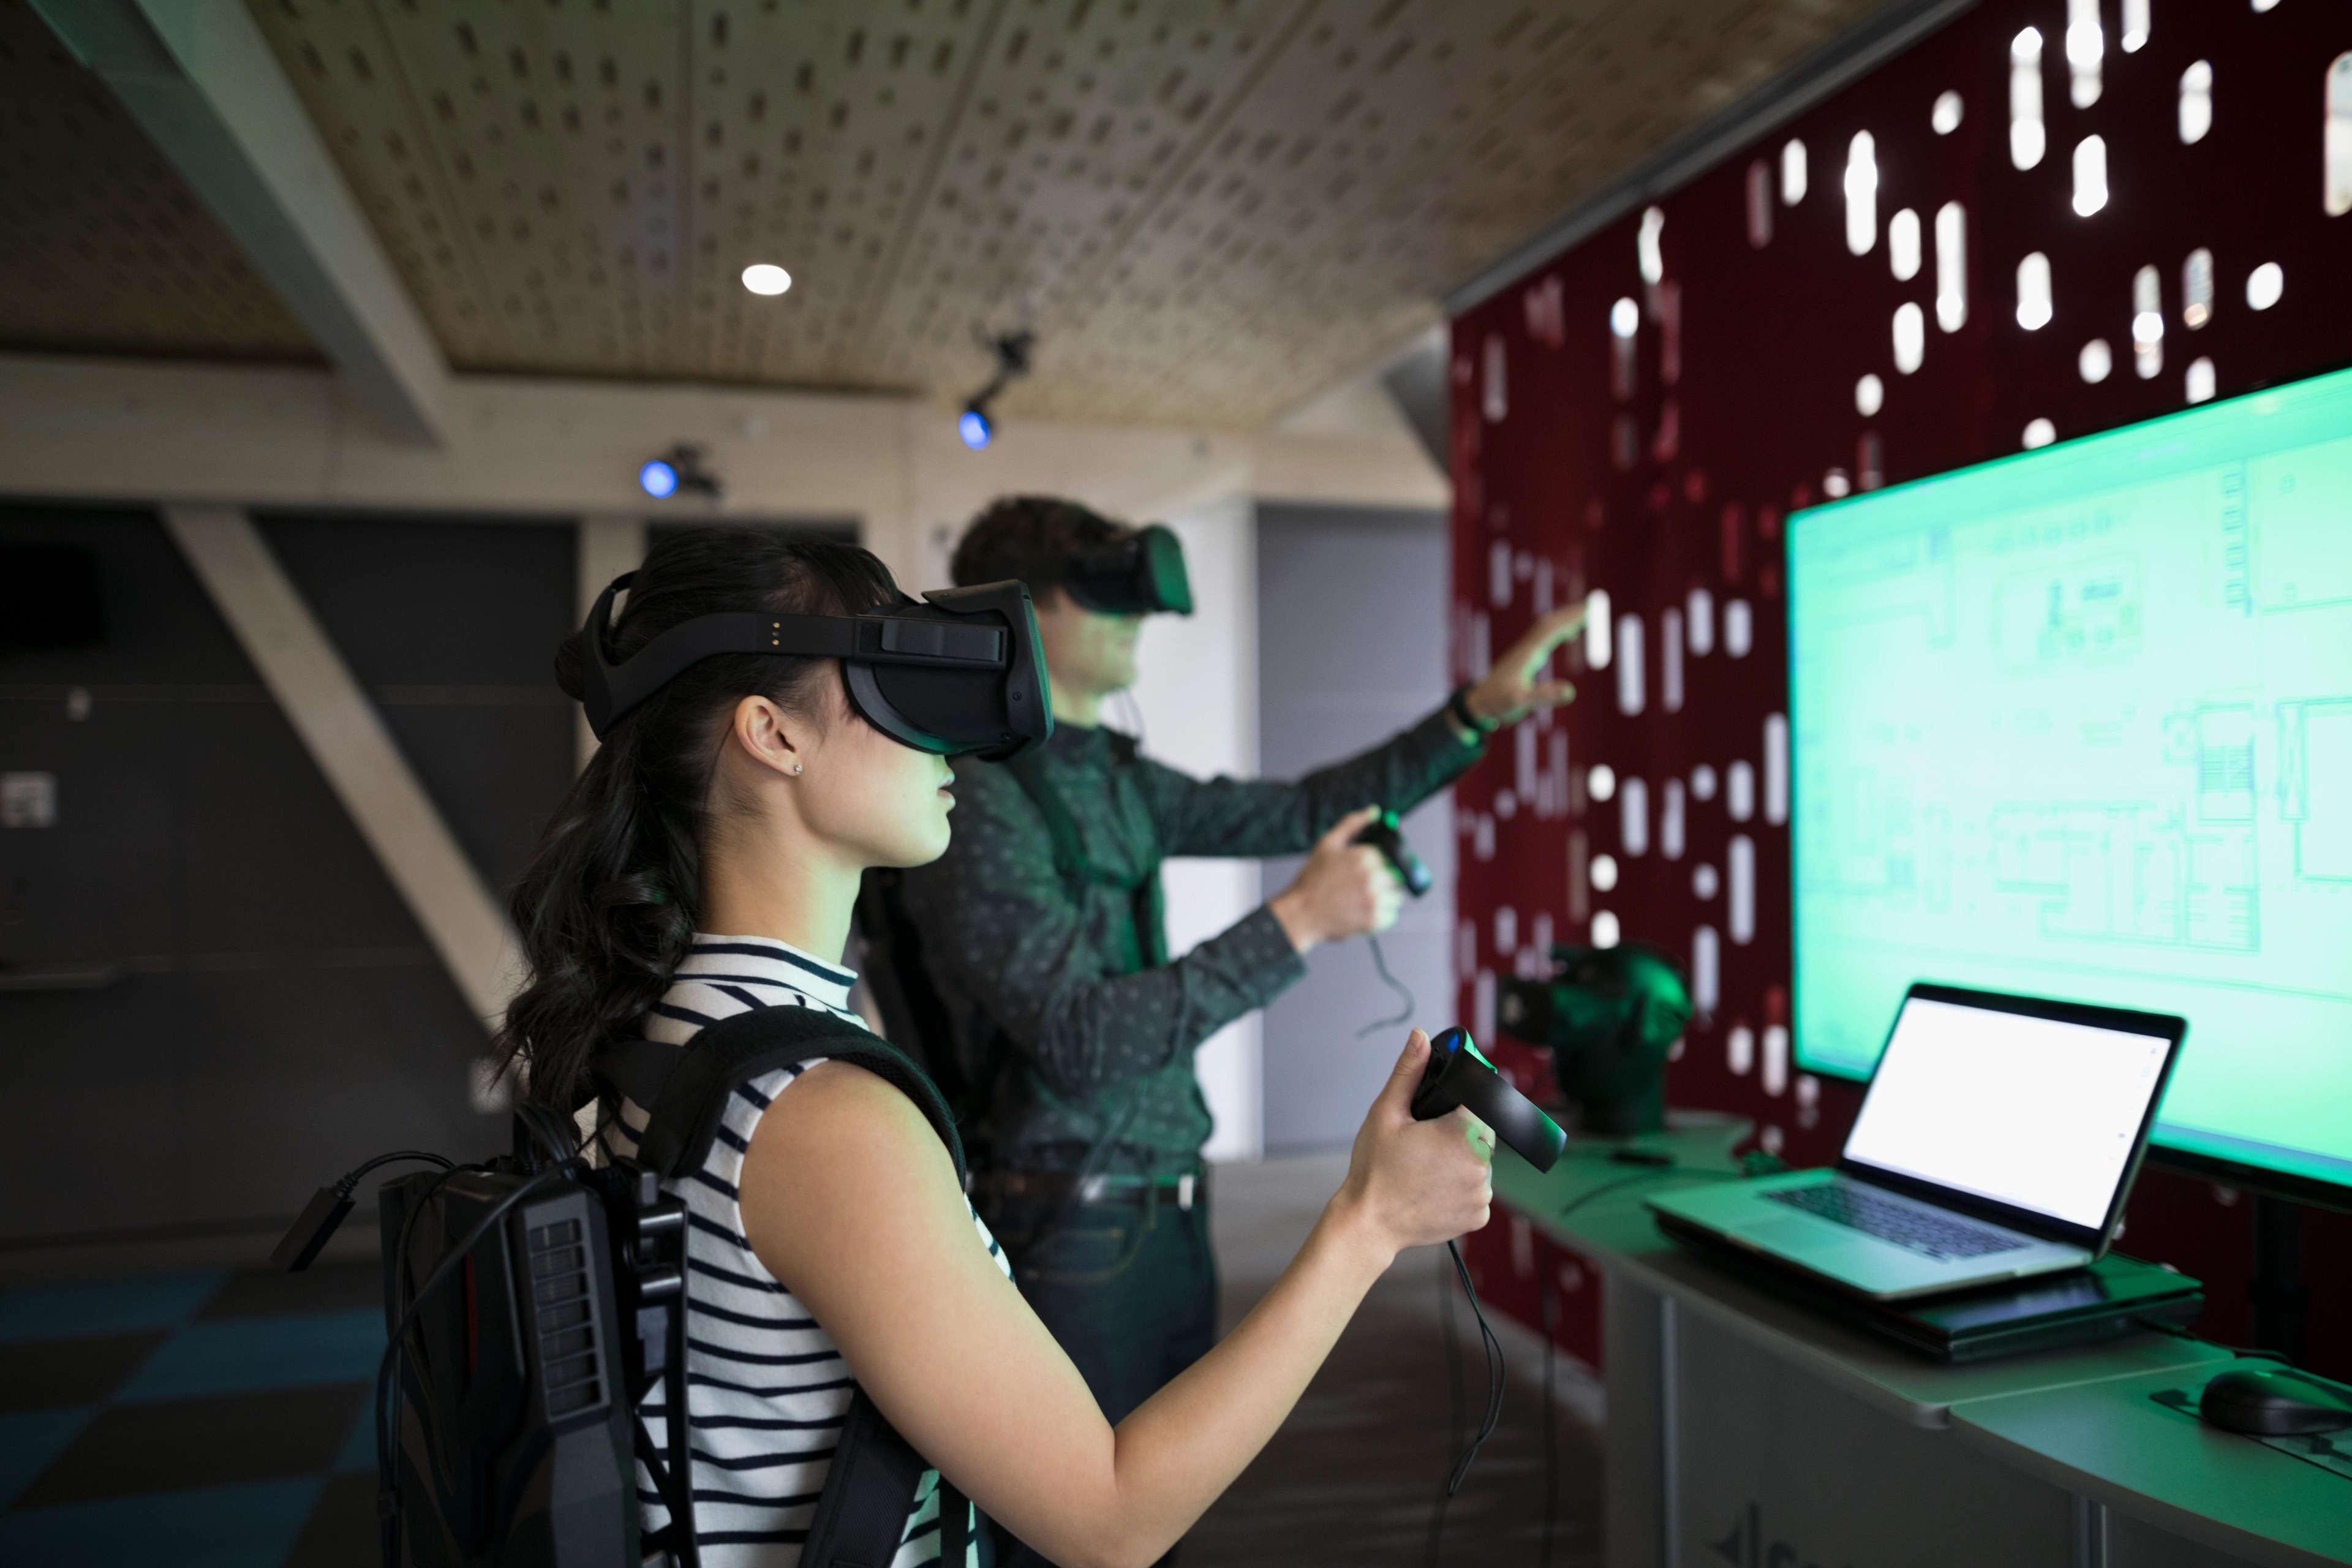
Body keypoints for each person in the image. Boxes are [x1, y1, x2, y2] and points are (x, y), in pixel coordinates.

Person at [497, 526, 1497, 1568]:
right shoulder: (820, 1113)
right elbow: (1109, 1517)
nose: (945, 744)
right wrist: (1369, 1223)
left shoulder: (680, 1027)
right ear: (772, 734)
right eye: (889, 688)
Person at [891, 497, 1586, 1487]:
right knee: (1083, 1523)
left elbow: (1304, 809)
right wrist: (1298, 920)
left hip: (1169, 1213)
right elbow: (1081, 1041)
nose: (1136, 615)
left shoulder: (1115, 774)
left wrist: (1470, 716)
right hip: (1063, 1226)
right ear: (1018, 610)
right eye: (1103, 592)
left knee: (1166, 1502)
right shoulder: (977, 797)